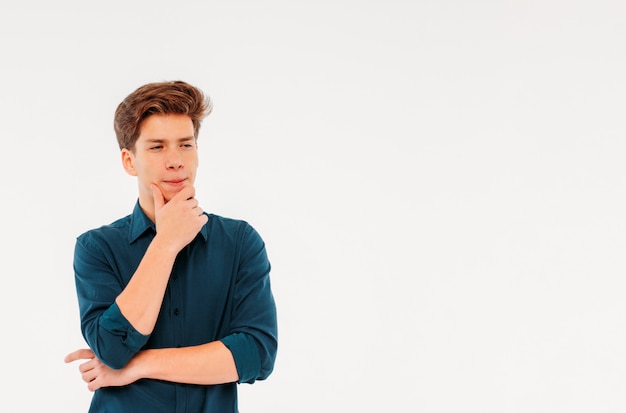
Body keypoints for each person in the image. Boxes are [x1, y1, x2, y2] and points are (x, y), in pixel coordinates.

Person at [64, 80, 278, 412]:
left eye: (185, 145)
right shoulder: (97, 248)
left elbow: (256, 355)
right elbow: (113, 349)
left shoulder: (239, 242)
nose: (176, 160)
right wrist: (165, 243)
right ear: (129, 161)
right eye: (157, 146)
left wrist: (137, 366)